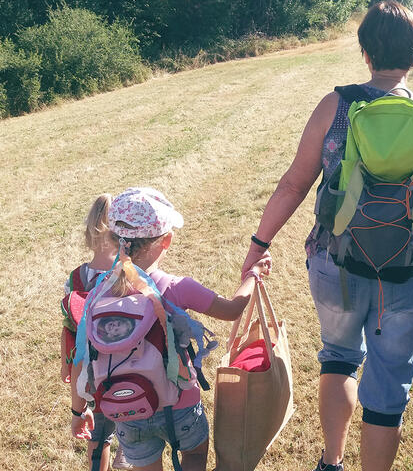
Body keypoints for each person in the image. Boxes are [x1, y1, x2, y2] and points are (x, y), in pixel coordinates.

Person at [241, 0, 413, 471]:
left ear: (365, 52)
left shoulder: (336, 105)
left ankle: (332, 461)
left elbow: (294, 184)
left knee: (338, 357)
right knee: (390, 378)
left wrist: (259, 244)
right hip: (405, 272)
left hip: (335, 260)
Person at [70, 187, 272, 470]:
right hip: (180, 405)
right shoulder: (177, 288)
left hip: (127, 411)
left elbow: (80, 360)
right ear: (167, 240)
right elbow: (232, 309)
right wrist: (253, 275)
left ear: (114, 239)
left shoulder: (95, 295)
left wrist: (78, 411)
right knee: (193, 456)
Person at [62, 194, 137, 470]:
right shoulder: (130, 273)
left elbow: (69, 330)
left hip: (92, 375)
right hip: (132, 370)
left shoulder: (77, 277)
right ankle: (127, 451)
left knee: (97, 437)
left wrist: (66, 366)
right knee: (135, 426)